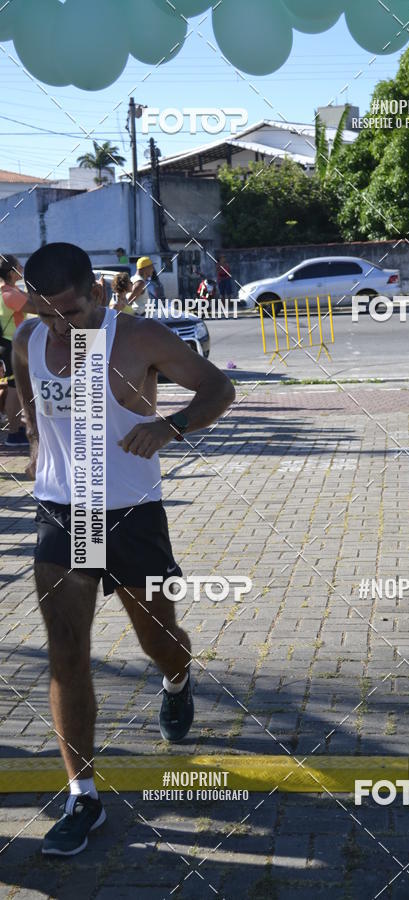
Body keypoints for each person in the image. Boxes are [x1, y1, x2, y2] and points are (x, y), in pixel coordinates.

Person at [13, 242, 235, 856]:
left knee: (156, 637)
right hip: (64, 512)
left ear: (97, 292)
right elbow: (30, 400)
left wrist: (171, 426)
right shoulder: (28, 340)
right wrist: (34, 437)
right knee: (66, 650)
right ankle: (83, 795)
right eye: (48, 311)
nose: (61, 324)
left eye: (71, 310)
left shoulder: (138, 337)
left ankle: (178, 679)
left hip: (134, 515)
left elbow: (219, 389)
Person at [0, 253, 36, 446]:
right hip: (10, 344)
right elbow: (38, 307)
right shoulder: (9, 293)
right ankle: (13, 433)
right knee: (14, 389)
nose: (22, 269)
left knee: (19, 388)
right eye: (19, 266)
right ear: (12, 272)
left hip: (13, 345)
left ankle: (19, 428)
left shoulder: (10, 289)